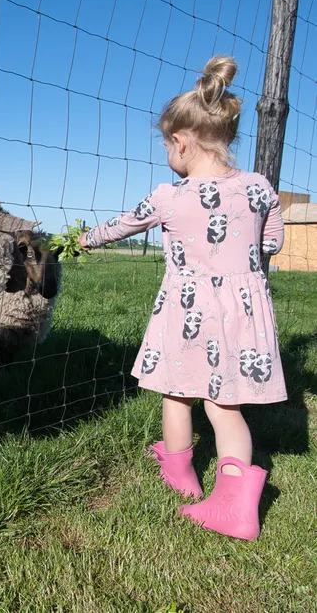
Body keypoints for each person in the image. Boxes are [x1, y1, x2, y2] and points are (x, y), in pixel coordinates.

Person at [78, 55, 286, 541]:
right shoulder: (259, 188)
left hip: (188, 308)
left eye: (167, 145)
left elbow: (121, 226)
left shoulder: (168, 196)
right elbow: (273, 242)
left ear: (182, 141)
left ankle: (181, 476)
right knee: (225, 405)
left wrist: (84, 239)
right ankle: (235, 503)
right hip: (242, 312)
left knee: (177, 391)